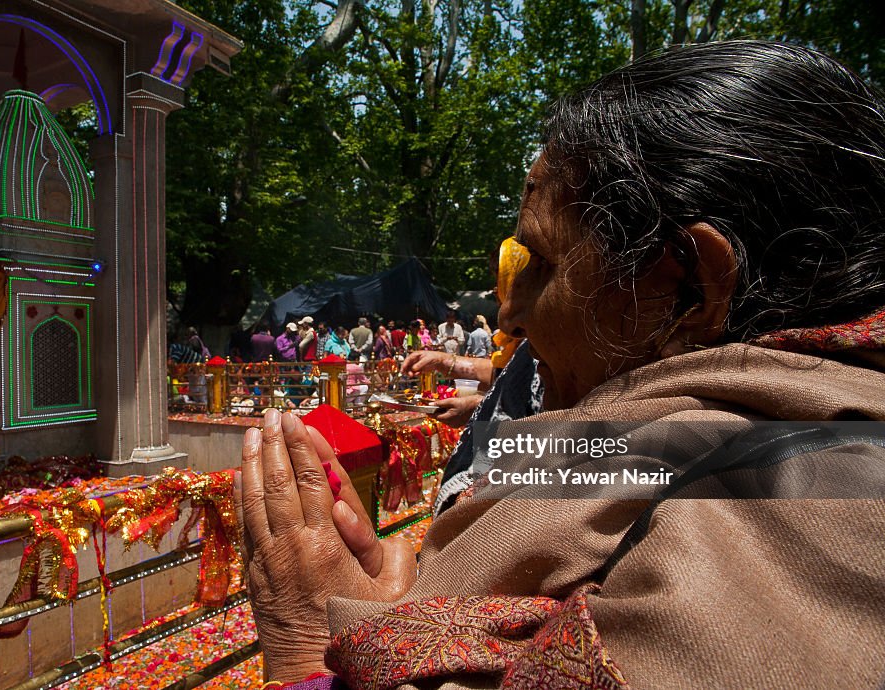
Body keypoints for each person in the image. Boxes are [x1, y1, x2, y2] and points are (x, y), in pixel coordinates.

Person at [236, 41, 885, 689]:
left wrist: (308, 653)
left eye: (543, 266)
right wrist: (411, 614)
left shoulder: (758, 545)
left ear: (689, 288)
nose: (511, 320)